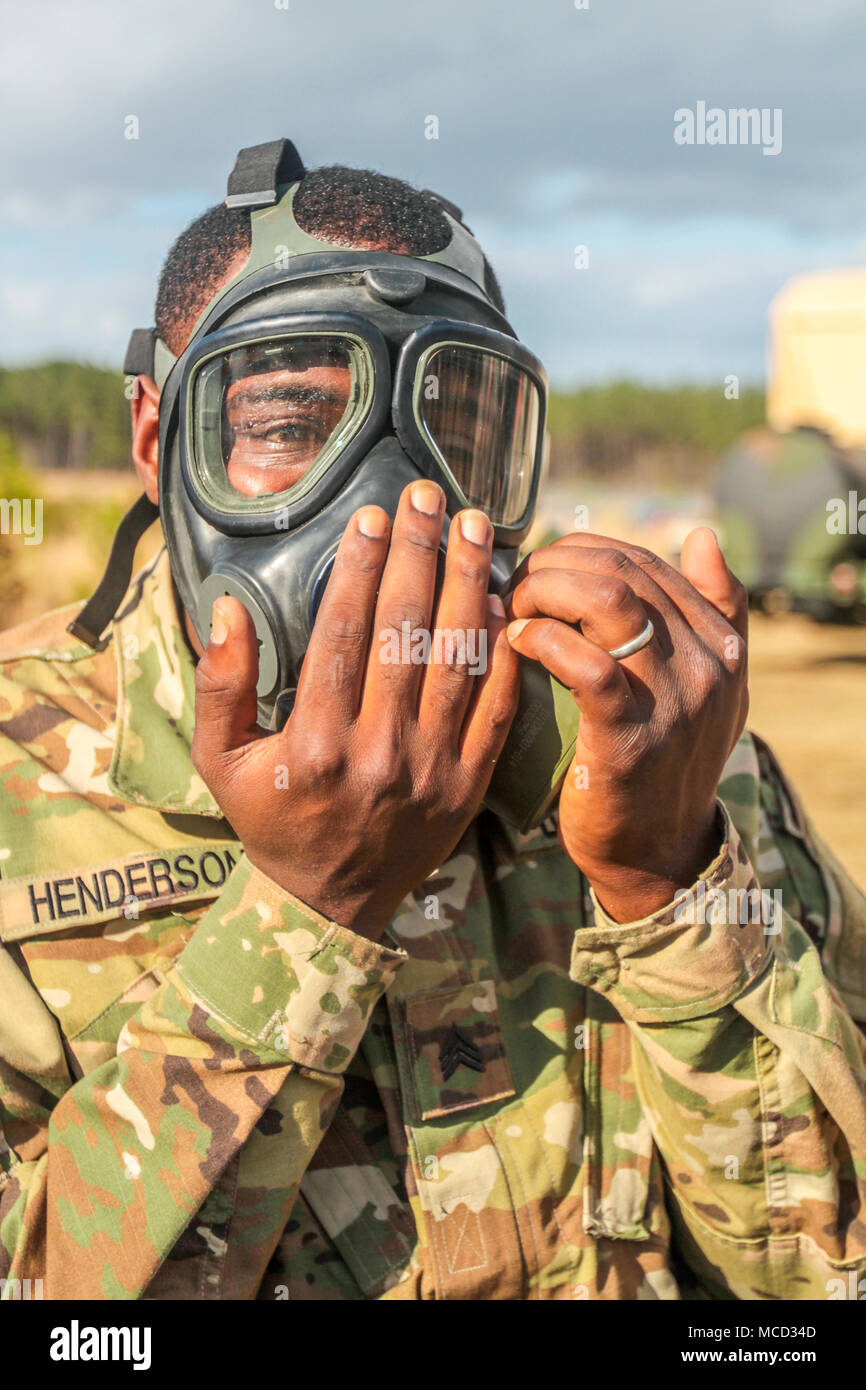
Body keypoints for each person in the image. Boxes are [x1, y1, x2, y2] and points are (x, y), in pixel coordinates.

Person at [1, 142, 864, 1302]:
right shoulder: (23, 788)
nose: (396, 505)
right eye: (290, 422)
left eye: (457, 434)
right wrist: (309, 912)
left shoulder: (654, 763)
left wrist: (668, 884)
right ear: (160, 443)